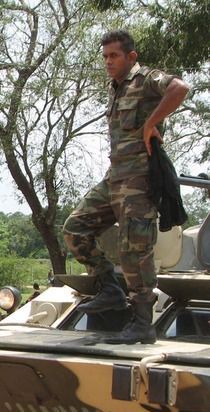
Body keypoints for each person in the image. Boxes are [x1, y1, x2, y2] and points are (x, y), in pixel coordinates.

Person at [63, 30, 190, 345]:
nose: (108, 62)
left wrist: (151, 123)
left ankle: (143, 323)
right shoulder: (116, 88)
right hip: (114, 178)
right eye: (105, 56)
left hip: (140, 180)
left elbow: (180, 88)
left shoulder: (146, 79)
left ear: (130, 57)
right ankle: (110, 289)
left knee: (134, 250)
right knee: (75, 229)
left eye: (114, 56)